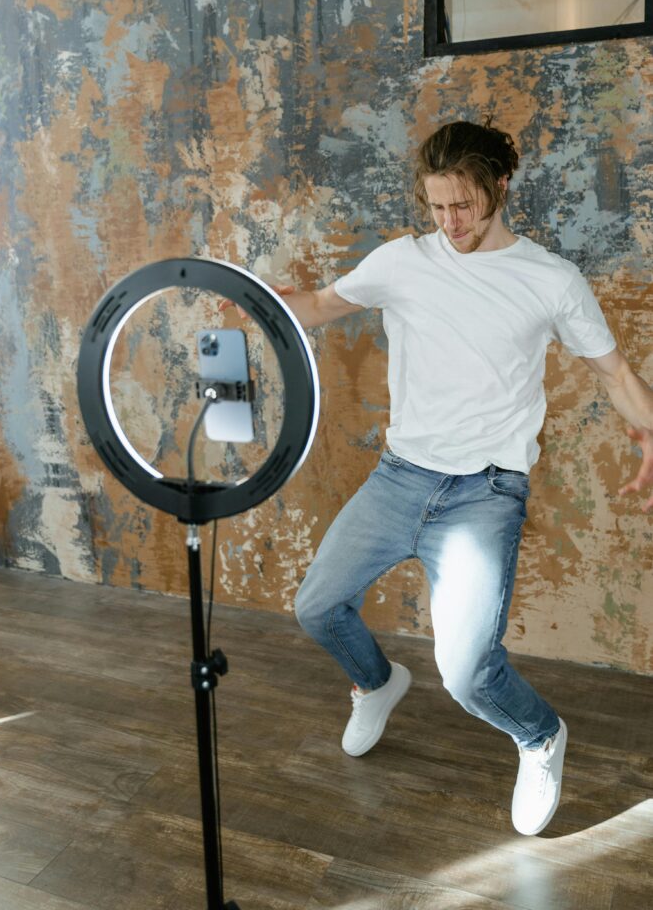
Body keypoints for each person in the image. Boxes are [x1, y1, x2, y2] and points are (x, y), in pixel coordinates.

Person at [220, 118, 653, 835]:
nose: (450, 222)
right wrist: (256, 301)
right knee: (317, 608)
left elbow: (611, 371)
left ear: (499, 186)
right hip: (399, 479)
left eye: (464, 205)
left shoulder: (550, 279)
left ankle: (539, 735)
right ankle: (377, 681)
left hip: (483, 495)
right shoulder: (402, 261)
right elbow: (321, 307)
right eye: (436, 207)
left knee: (466, 674)